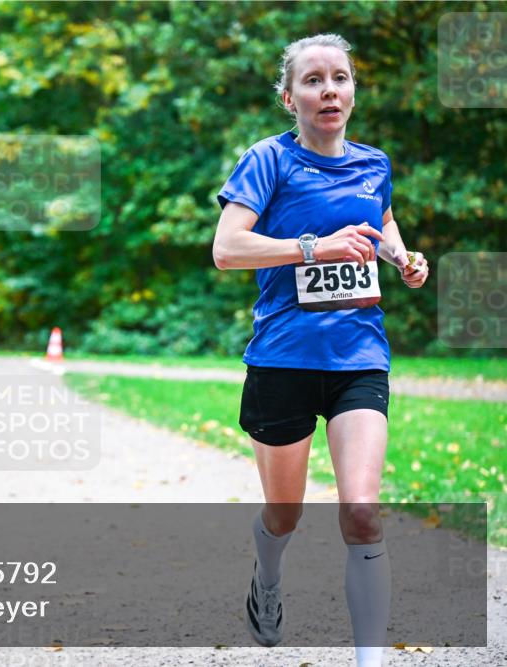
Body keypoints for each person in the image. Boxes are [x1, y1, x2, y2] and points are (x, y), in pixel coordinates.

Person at [211, 34, 429, 667]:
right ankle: (268, 578)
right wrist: (313, 247)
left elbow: (381, 221)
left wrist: (401, 256)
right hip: (282, 357)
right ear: (290, 97)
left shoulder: (374, 163)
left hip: (360, 355)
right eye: (313, 80)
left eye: (339, 78)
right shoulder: (267, 161)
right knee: (285, 514)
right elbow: (227, 250)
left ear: (353, 92)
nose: (328, 89)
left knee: (361, 512)